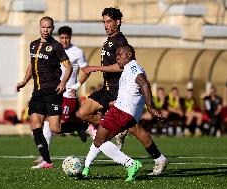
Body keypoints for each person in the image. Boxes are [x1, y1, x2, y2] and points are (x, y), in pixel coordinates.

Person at [78, 7, 167, 177]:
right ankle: (113, 129)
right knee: (82, 112)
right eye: (104, 22)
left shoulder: (120, 41)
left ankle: (159, 158)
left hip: (118, 90)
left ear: (118, 22)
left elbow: (121, 67)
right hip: (106, 88)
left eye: (109, 21)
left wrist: (94, 68)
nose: (106, 25)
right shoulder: (109, 40)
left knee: (134, 129)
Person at [84, 45, 165, 182]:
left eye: (119, 54)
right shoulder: (128, 69)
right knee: (99, 139)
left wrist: (150, 108)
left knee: (101, 141)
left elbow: (144, 84)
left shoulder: (134, 68)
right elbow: (133, 90)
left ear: (128, 55)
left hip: (122, 112)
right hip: (123, 110)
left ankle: (131, 164)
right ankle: (86, 168)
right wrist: (118, 101)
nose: (117, 57)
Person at [16, 16, 72, 169]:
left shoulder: (56, 46)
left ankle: (82, 127)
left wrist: (63, 82)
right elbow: (32, 65)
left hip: (52, 91)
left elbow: (69, 67)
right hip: (38, 92)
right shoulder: (33, 45)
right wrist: (24, 81)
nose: (45, 30)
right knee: (35, 123)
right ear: (39, 27)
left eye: (48, 27)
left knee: (55, 129)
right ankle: (47, 161)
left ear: (52, 28)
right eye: (43, 27)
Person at [41, 25, 90, 150]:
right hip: (54, 93)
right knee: (48, 121)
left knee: (57, 127)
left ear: (70, 38)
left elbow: (86, 70)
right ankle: (44, 156)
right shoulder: (53, 50)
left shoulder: (77, 52)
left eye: (67, 38)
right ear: (59, 37)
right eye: (62, 38)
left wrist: (77, 85)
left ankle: (79, 126)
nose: (64, 41)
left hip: (68, 94)